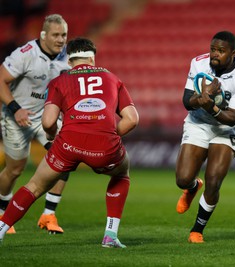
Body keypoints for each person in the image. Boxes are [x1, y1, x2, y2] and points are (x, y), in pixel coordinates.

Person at [0, 37, 139, 248]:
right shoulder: (112, 78)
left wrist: (51, 134)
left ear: (68, 61)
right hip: (105, 147)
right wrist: (108, 134)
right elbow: (132, 119)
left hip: (68, 145)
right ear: (92, 59)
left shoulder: (58, 81)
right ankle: (110, 235)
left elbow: (47, 122)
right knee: (121, 174)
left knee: (35, 186)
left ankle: (1, 229)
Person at [175, 31, 235, 243]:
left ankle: (197, 230)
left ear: (233, 53)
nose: (214, 55)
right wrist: (201, 100)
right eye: (213, 49)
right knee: (182, 179)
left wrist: (210, 106)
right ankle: (192, 187)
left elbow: (232, 118)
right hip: (198, 123)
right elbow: (185, 101)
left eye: (221, 51)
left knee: (214, 180)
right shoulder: (198, 63)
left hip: (225, 129)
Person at [0, 14, 70, 234]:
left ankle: (49, 215)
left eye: (64, 35)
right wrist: (15, 108)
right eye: (56, 35)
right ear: (43, 35)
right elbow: (0, 79)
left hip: (46, 117)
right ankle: (2, 211)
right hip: (16, 117)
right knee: (14, 170)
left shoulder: (67, 57)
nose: (60, 39)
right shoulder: (25, 54)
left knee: (65, 158)